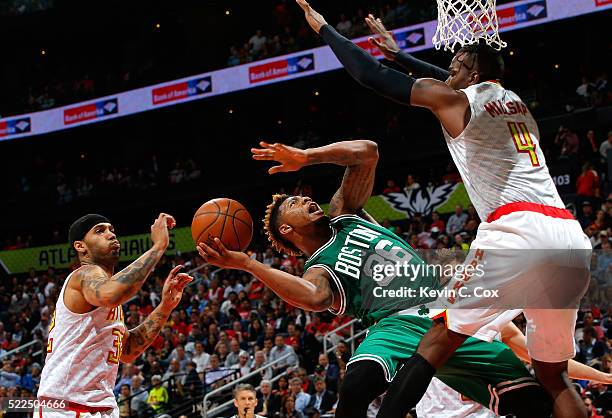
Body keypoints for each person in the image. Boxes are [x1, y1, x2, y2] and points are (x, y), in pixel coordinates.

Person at [294, 3, 592, 416]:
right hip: (568, 236)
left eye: (454, 66)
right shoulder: (513, 100)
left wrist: (326, 29)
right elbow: (450, 81)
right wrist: (399, 54)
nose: (446, 71)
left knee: (435, 339)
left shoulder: (458, 101)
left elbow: (371, 77)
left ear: (471, 74)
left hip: (517, 230)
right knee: (553, 374)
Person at [198, 139, 601, 418]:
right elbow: (314, 298)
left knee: (533, 402)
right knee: (355, 387)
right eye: (294, 206)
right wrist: (249, 264)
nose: (305, 199)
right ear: (287, 230)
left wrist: (308, 156)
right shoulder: (319, 267)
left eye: (302, 196)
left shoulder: (345, 212)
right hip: (394, 322)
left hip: (445, 312)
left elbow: (367, 153)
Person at [35, 213, 193, 417]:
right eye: (100, 231)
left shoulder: (105, 297)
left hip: (102, 406)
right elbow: (112, 293)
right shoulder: (83, 275)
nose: (110, 234)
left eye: (111, 230)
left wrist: (165, 306)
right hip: (66, 406)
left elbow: (127, 350)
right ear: (80, 246)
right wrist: (158, 247)